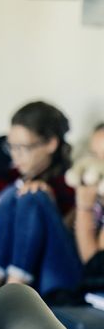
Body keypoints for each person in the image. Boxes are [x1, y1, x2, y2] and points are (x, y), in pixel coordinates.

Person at [0, 101, 81, 307]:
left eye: (23, 148)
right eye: (11, 147)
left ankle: (11, 293)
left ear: (51, 144)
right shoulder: (11, 177)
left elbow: (65, 241)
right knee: (17, 192)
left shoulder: (69, 182)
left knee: (32, 195)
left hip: (55, 273)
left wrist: (48, 203)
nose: (15, 155)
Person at [74, 123, 104, 291]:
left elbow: (93, 262)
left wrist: (84, 207)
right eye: (94, 155)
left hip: (87, 279)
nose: (98, 164)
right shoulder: (88, 183)